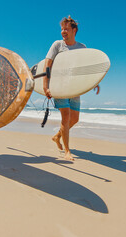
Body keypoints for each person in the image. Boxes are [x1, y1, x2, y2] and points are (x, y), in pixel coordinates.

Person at [43, 16, 100, 161]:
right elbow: (47, 64)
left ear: (74, 30)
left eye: (66, 29)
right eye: (62, 29)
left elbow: (86, 68)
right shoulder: (57, 45)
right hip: (60, 86)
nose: (63, 31)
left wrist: (94, 82)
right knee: (66, 116)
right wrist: (46, 85)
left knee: (74, 119)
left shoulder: (82, 48)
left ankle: (57, 136)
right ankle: (67, 151)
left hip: (75, 87)